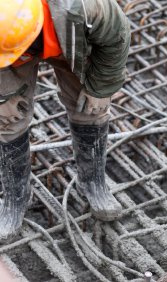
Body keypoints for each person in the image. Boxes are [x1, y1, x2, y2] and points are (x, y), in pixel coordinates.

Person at [0, 0, 131, 241]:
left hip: (69, 36)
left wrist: (100, 89)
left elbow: (117, 37)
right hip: (4, 54)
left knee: (90, 108)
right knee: (6, 120)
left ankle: (93, 184)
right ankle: (15, 198)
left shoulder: (85, 7)